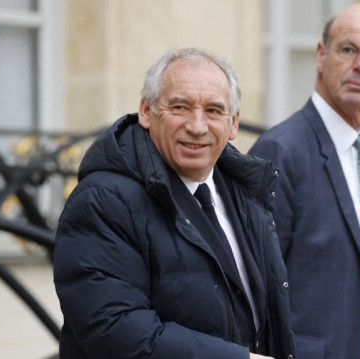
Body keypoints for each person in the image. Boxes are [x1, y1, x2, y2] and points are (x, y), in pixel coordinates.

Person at [53, 48, 295, 359]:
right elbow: (113, 328)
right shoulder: (101, 201)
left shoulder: (246, 193)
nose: (197, 126)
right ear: (145, 111)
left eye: (213, 111)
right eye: (180, 107)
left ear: (233, 123)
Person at [249, 3, 360, 359]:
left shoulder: (357, 150)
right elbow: (254, 291)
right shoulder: (281, 151)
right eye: (348, 49)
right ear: (321, 56)